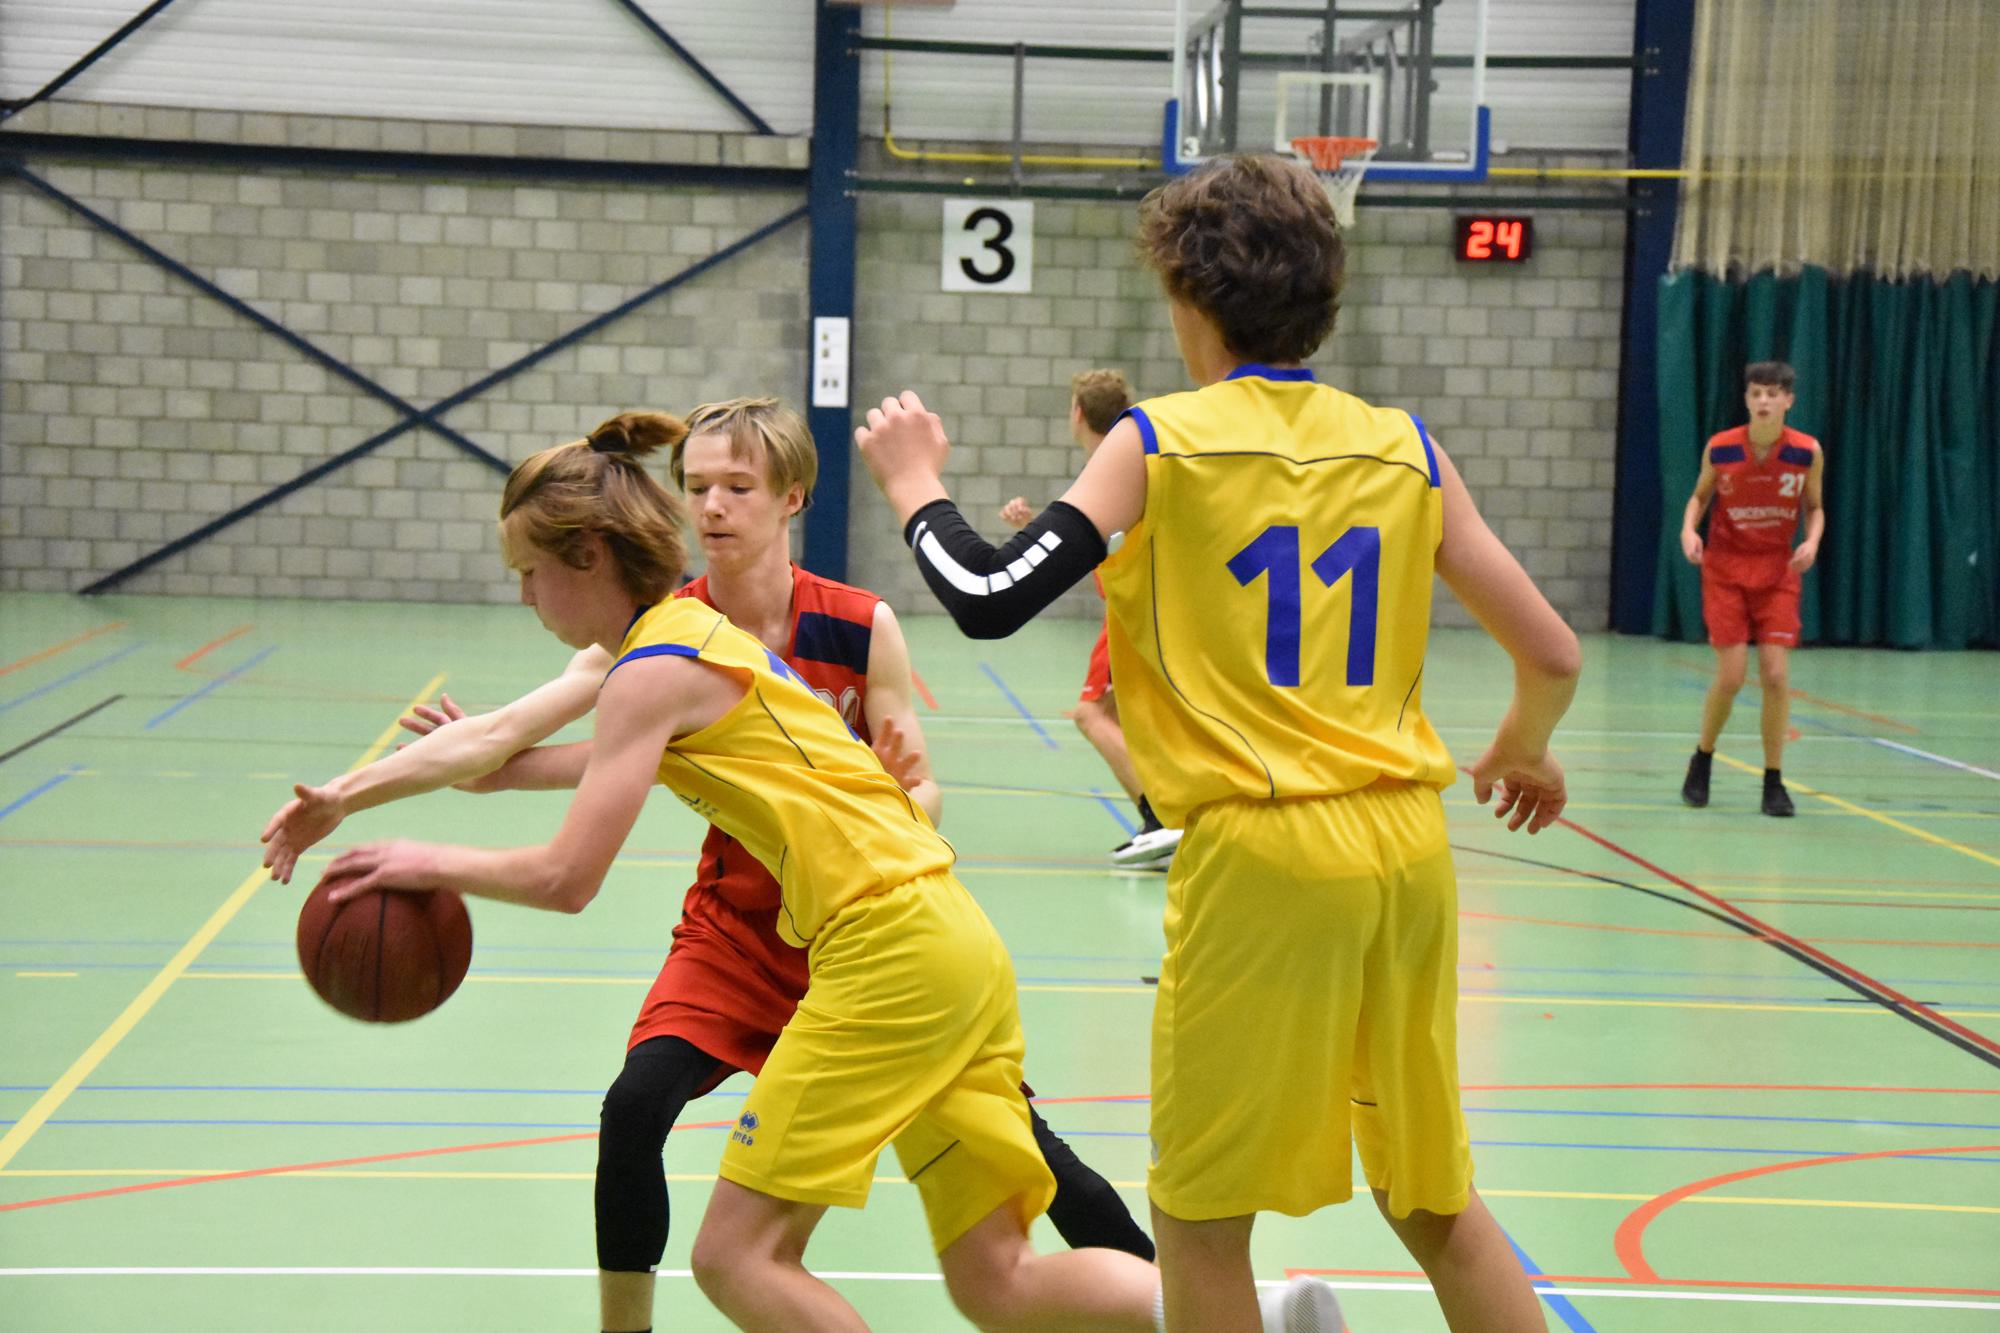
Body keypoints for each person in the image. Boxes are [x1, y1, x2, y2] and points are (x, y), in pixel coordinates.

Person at [857, 153, 1582, 1333]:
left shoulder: (1158, 441)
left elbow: (987, 595)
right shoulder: (1402, 445)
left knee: (1196, 1219)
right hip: (1405, 849)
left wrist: (911, 486)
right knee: (1431, 1194)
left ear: (1186, 299)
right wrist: (1519, 750)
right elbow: (1550, 653)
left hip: (1260, 854)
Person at [262, 399, 1161, 1333]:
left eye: (529, 572)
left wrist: (422, 858)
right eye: (698, 487)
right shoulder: (697, 638)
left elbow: (568, 878)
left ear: (588, 556)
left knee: (736, 1256)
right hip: (950, 939)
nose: (525, 596)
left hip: (881, 950)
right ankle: (1229, 1312)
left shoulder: (666, 660)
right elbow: (514, 741)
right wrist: (346, 796)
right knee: (997, 1279)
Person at [1001, 369, 1179, 869]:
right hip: (1148, 611)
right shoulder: (1130, 464)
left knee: (1091, 714)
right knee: (1128, 720)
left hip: (1131, 613)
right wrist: (1033, 525)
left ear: (1077, 413)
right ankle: (1171, 816)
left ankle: (1160, 819)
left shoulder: (1112, 469)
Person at [1677, 360, 1825, 817]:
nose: (1764, 401)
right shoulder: (1722, 447)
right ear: (1746, 399)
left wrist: (1812, 541)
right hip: (1725, 570)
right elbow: (1700, 495)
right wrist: (1689, 530)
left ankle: (1773, 781)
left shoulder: (1806, 451)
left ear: (1788, 401)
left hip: (1777, 572)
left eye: (1772, 394)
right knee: (1732, 676)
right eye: (1756, 393)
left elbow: (1814, 506)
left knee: (1776, 677)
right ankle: (1702, 758)